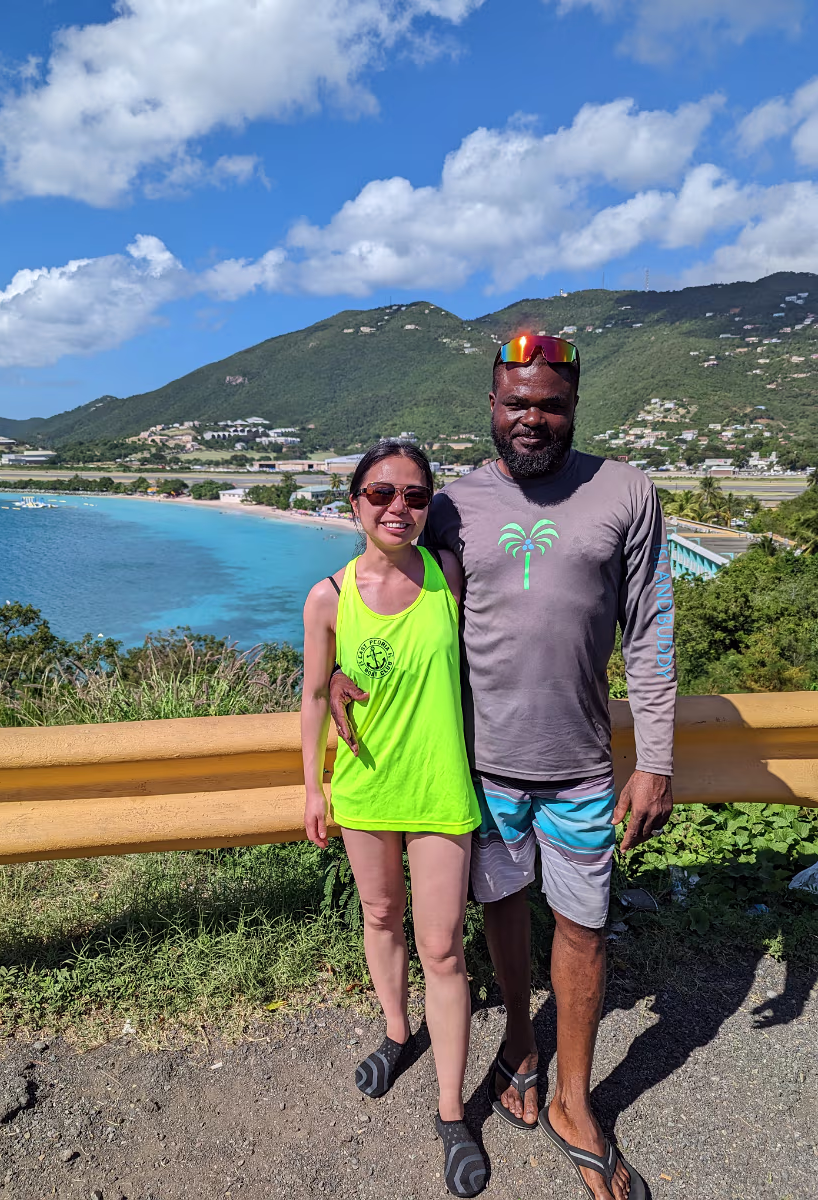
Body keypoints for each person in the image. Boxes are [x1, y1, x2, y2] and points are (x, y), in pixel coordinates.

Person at [330, 335, 676, 1200]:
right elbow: (395, 589)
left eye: (550, 404)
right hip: (480, 771)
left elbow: (649, 631)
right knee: (503, 907)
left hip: (582, 767)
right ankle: (520, 1044)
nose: (533, 418)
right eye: (516, 402)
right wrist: (339, 664)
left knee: (584, 926)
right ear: (491, 405)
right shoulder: (452, 505)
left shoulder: (626, 491)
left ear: (575, 406)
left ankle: (574, 1102)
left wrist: (657, 760)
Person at [301, 440, 488, 1199]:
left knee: (442, 948)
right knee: (381, 915)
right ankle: (396, 1031)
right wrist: (313, 788)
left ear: (428, 506)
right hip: (365, 786)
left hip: (441, 788)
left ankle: (451, 1112)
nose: (397, 508)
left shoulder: (447, 573)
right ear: (355, 503)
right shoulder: (328, 597)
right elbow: (316, 695)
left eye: (414, 495)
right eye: (381, 493)